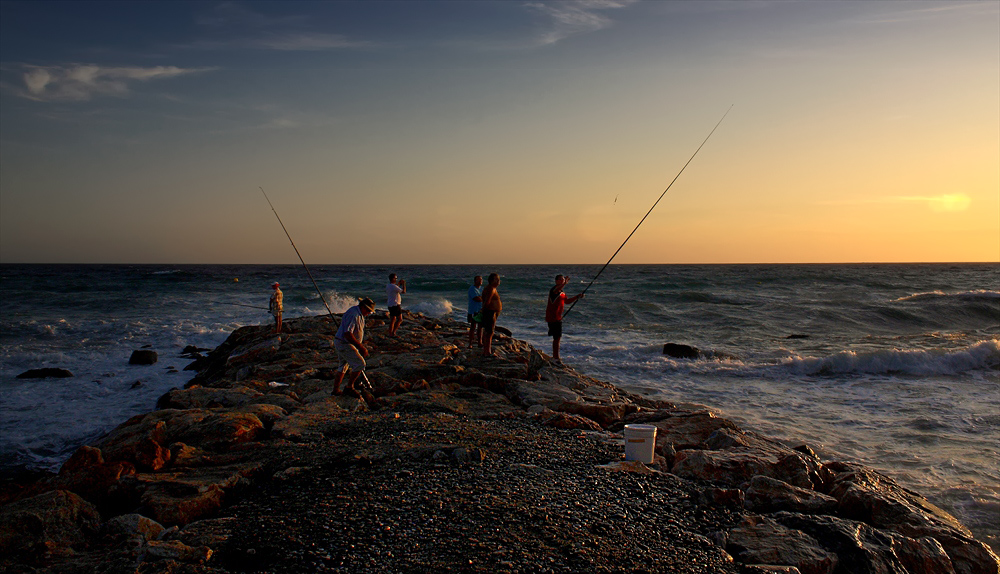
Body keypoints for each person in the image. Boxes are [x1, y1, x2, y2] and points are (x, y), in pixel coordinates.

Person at [332, 297, 376, 395]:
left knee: (343, 366)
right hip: (345, 343)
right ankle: (349, 387)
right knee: (360, 364)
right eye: (368, 311)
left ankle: (336, 390)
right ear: (363, 307)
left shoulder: (358, 313)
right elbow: (347, 334)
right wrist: (360, 347)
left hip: (344, 342)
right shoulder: (354, 314)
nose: (369, 313)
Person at [546, 275, 584, 361]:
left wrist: (577, 297)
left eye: (563, 280)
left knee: (557, 337)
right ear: (556, 281)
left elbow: (567, 301)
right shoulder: (553, 291)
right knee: (556, 337)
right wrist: (565, 284)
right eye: (560, 280)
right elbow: (556, 290)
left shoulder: (562, 292)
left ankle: (555, 356)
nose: (562, 281)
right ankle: (556, 357)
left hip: (558, 318)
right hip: (552, 318)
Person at [480, 273, 502, 357]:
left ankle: (486, 350)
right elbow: (487, 301)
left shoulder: (490, 288)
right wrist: (484, 311)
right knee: (489, 332)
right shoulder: (491, 289)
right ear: (492, 280)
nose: (499, 281)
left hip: (491, 312)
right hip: (490, 312)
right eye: (497, 279)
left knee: (488, 332)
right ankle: (487, 352)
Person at [467, 275, 484, 348]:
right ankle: (470, 343)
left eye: (481, 280)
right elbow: (476, 298)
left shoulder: (482, 289)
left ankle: (480, 342)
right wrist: (483, 298)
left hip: (480, 310)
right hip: (473, 310)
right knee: (473, 327)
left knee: (480, 327)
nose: (480, 281)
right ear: (475, 281)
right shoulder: (472, 289)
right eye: (479, 280)